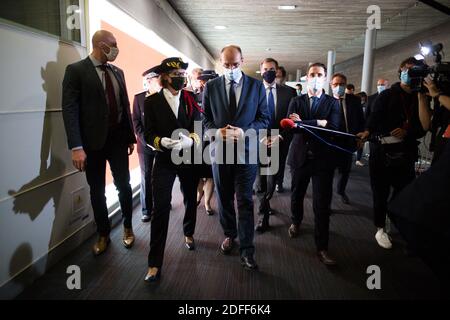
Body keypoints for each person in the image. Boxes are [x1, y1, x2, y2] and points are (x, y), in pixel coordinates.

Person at [62, 30, 136, 256]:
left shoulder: (118, 72)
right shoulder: (76, 71)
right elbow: (70, 110)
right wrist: (76, 147)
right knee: (97, 191)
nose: (116, 49)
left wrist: (130, 136)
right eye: (113, 45)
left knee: (123, 185)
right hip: (91, 144)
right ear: (100, 45)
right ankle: (103, 234)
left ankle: (127, 227)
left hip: (117, 140)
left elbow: (124, 105)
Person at [202, 45, 270, 270]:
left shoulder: (256, 86)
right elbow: (206, 121)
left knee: (245, 200)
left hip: (246, 153)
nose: (231, 68)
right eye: (227, 64)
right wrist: (216, 132)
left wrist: (244, 131)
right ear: (221, 62)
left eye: (235, 64)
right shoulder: (210, 87)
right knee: (223, 198)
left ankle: (247, 249)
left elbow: (264, 119)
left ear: (243, 60)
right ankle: (230, 234)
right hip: (220, 152)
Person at [357, 57, 429, 250]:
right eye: (407, 69)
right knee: (379, 192)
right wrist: (367, 132)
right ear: (400, 71)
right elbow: (374, 118)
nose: (410, 73)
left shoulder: (422, 96)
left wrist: (408, 132)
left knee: (403, 191)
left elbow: (424, 126)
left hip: (406, 152)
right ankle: (380, 228)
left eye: (415, 70)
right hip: (382, 151)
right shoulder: (387, 95)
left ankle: (395, 219)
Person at [143, 57, 202, 282]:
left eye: (182, 74)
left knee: (190, 198)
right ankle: (154, 263)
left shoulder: (191, 97)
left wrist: (193, 139)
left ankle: (188, 232)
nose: (180, 77)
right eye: (176, 74)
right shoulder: (151, 102)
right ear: (165, 77)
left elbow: (199, 125)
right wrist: (160, 142)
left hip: (188, 156)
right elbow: (148, 133)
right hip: (164, 159)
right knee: (160, 208)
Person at [285, 62, 341, 266]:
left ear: (325, 77)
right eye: (312, 74)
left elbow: (333, 128)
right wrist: (319, 122)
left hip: (323, 159)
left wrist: (304, 123)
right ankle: (296, 221)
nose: (315, 77)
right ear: (306, 77)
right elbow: (291, 128)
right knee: (296, 195)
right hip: (299, 156)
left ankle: (322, 247)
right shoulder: (296, 100)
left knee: (322, 204)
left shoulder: (333, 103)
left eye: (319, 74)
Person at [255, 58, 296, 233]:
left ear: (277, 70)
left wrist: (280, 136)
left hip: (280, 140)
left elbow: (292, 119)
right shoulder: (252, 91)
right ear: (260, 70)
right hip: (258, 141)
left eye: (272, 69)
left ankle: (265, 200)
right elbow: (248, 117)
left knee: (272, 179)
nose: (269, 72)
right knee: (259, 181)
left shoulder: (289, 93)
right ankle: (263, 216)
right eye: (265, 69)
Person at [330, 73, 365, 204]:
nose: (338, 87)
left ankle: (341, 191)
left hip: (348, 141)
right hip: (330, 142)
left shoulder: (354, 100)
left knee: (345, 170)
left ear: (345, 85)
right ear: (331, 85)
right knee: (328, 171)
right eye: (335, 84)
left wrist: (361, 138)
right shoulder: (326, 100)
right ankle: (326, 197)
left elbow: (361, 121)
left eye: (341, 84)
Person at [132, 66, 160, 223]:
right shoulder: (139, 98)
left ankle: (162, 203)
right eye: (157, 80)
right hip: (145, 146)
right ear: (149, 81)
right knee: (146, 176)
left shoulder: (163, 98)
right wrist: (148, 142)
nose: (160, 83)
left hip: (162, 145)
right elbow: (136, 123)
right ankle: (146, 209)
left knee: (161, 176)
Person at [195, 69, 219, 216]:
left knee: (210, 174)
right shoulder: (194, 97)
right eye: (206, 80)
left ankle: (207, 203)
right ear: (202, 82)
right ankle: (199, 194)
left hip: (213, 140)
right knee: (197, 173)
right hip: (197, 139)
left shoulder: (220, 99)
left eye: (212, 80)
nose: (209, 83)